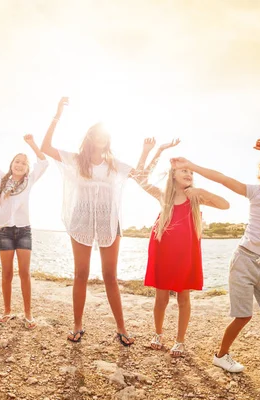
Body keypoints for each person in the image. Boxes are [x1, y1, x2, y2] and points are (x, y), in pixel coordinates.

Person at [171, 138, 260, 373]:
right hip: (244, 260)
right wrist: (191, 165)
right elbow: (223, 179)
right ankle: (221, 356)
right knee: (243, 316)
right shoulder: (255, 193)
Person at [40, 97, 160, 346]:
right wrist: (57, 114)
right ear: (90, 137)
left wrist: (146, 152)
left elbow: (141, 177)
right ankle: (77, 325)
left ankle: (121, 328)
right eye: (98, 135)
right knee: (81, 274)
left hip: (108, 221)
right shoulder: (76, 160)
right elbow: (45, 147)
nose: (102, 139)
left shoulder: (114, 165)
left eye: (106, 136)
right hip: (82, 218)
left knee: (110, 276)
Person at [137, 138, 229, 357]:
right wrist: (153, 150)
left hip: (185, 254)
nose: (189, 174)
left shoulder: (194, 197)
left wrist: (202, 191)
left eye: (191, 172)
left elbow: (225, 205)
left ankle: (180, 341)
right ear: (173, 175)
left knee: (183, 298)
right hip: (163, 252)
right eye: (184, 171)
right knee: (161, 298)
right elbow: (138, 176)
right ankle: (157, 334)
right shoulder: (164, 197)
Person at [0, 132, 48, 330]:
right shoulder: (0, 178)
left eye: (23, 163)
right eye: (17, 161)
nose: (19, 164)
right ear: (11, 163)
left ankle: (28, 314)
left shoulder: (29, 181)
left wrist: (32, 143)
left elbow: (43, 162)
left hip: (23, 232)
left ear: (27, 168)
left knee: (24, 273)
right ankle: (7, 311)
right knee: (6, 273)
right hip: (5, 232)